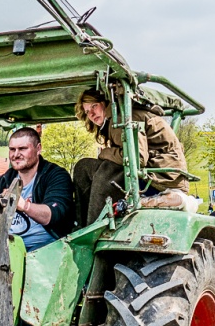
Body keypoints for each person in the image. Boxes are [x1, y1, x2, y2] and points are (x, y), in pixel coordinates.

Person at [72, 88, 189, 225]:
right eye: (87, 111)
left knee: (104, 168)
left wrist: (105, 153)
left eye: (94, 106)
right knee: (86, 167)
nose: (91, 114)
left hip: (160, 180)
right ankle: (85, 222)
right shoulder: (116, 120)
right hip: (162, 175)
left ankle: (94, 224)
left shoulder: (121, 118)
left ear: (105, 103)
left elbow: (137, 158)